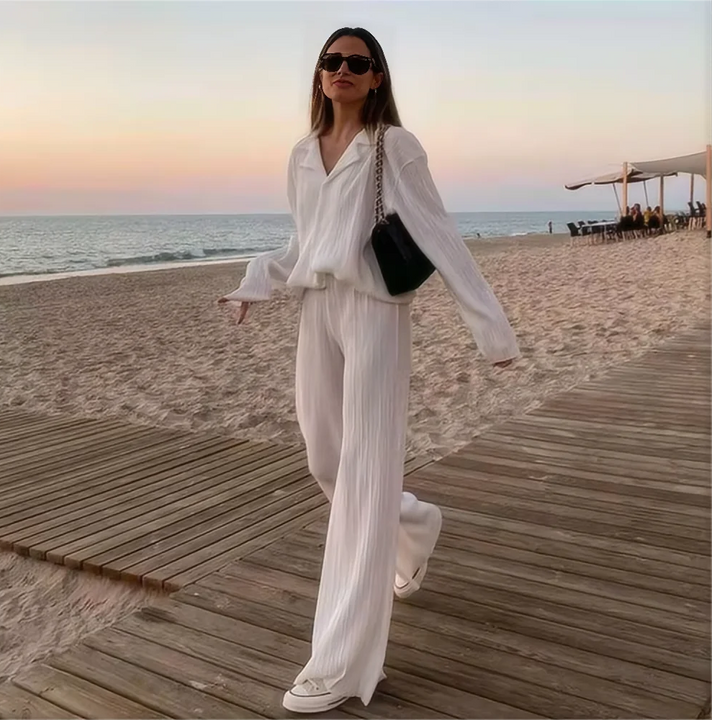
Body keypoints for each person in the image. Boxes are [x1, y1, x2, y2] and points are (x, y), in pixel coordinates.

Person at [218, 26, 519, 714]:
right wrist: (256, 281)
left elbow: (439, 233)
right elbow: (304, 241)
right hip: (317, 310)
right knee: (325, 457)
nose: (343, 69)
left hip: (376, 312)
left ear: (377, 76)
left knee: (363, 476)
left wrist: (491, 330)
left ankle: (341, 663)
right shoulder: (302, 154)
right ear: (320, 75)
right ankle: (412, 527)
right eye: (333, 60)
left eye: (359, 61)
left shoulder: (395, 146)